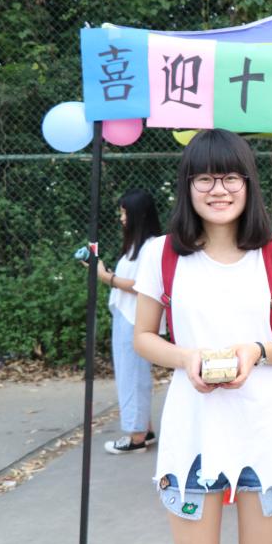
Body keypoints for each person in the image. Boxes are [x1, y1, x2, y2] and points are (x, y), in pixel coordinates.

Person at [132, 129, 272, 544]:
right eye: (205, 179)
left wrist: (258, 351)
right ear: (187, 186)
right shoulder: (162, 254)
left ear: (248, 183)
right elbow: (143, 336)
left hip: (263, 424)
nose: (219, 190)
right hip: (192, 427)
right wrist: (186, 357)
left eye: (231, 177)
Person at [89, 189, 163, 453]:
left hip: (135, 319)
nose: (121, 218)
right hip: (127, 315)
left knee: (131, 376)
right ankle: (145, 429)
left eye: (125, 213)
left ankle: (136, 437)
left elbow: (140, 285)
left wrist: (105, 277)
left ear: (139, 215)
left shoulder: (152, 246)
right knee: (133, 375)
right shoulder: (138, 246)